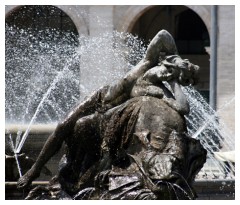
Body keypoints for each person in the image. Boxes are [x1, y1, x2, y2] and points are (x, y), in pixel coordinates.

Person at [17, 30, 197, 192]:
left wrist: (175, 82)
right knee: (63, 125)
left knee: (85, 129)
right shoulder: (147, 63)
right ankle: (35, 170)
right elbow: (163, 35)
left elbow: (183, 108)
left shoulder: (158, 90)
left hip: (107, 115)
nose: (166, 75)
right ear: (165, 63)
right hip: (101, 97)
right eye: (167, 71)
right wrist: (176, 58)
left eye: (172, 76)